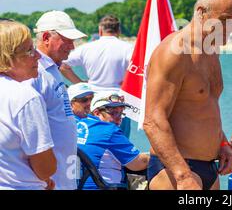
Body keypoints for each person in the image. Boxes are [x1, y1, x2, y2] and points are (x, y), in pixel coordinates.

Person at [143, 0, 232, 190]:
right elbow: (153, 120)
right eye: (224, 20)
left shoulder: (211, 52)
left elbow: (203, 108)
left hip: (209, 168)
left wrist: (222, 144)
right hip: (175, 169)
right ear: (201, 12)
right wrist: (182, 175)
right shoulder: (174, 52)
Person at [23, 10, 87, 190]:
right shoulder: (36, 73)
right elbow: (31, 128)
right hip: (49, 179)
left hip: (63, 174)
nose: (72, 47)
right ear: (46, 38)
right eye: (67, 40)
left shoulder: (52, 69)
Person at [0, 20, 57, 190]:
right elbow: (45, 168)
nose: (38, 56)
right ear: (8, 58)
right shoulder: (25, 97)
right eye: (30, 51)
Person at [60, 15, 133, 137]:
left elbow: (63, 65)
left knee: (96, 140)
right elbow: (141, 69)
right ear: (119, 31)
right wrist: (127, 82)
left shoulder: (87, 48)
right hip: (119, 101)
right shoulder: (128, 48)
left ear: (100, 30)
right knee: (121, 143)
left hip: (95, 103)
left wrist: (81, 84)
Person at [76, 91, 149, 190]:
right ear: (97, 113)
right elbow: (139, 163)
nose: (119, 118)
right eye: (113, 113)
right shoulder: (109, 130)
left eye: (121, 113)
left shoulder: (78, 124)